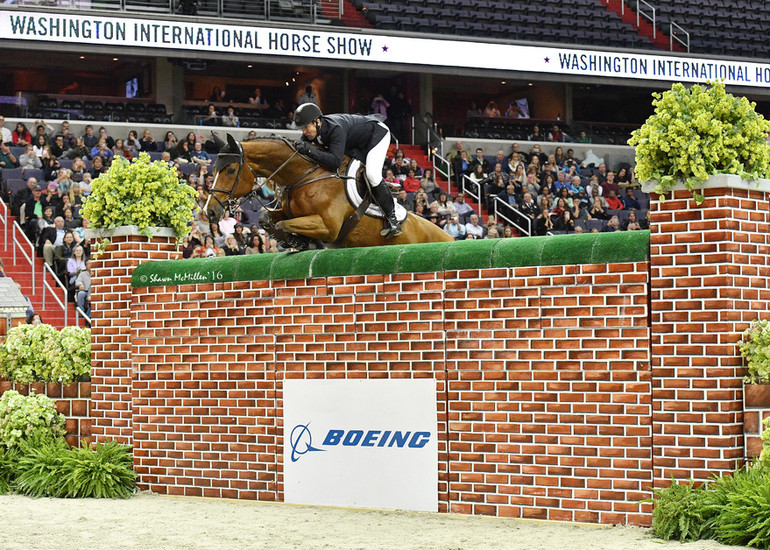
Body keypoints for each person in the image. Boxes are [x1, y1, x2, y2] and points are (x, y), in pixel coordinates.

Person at [293, 102, 402, 237]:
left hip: (376, 135)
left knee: (372, 174)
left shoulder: (335, 128)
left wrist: (308, 150)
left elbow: (334, 162)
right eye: (302, 129)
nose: (304, 132)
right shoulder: (313, 132)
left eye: (306, 127)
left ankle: (393, 220)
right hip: (355, 143)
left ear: (317, 122)